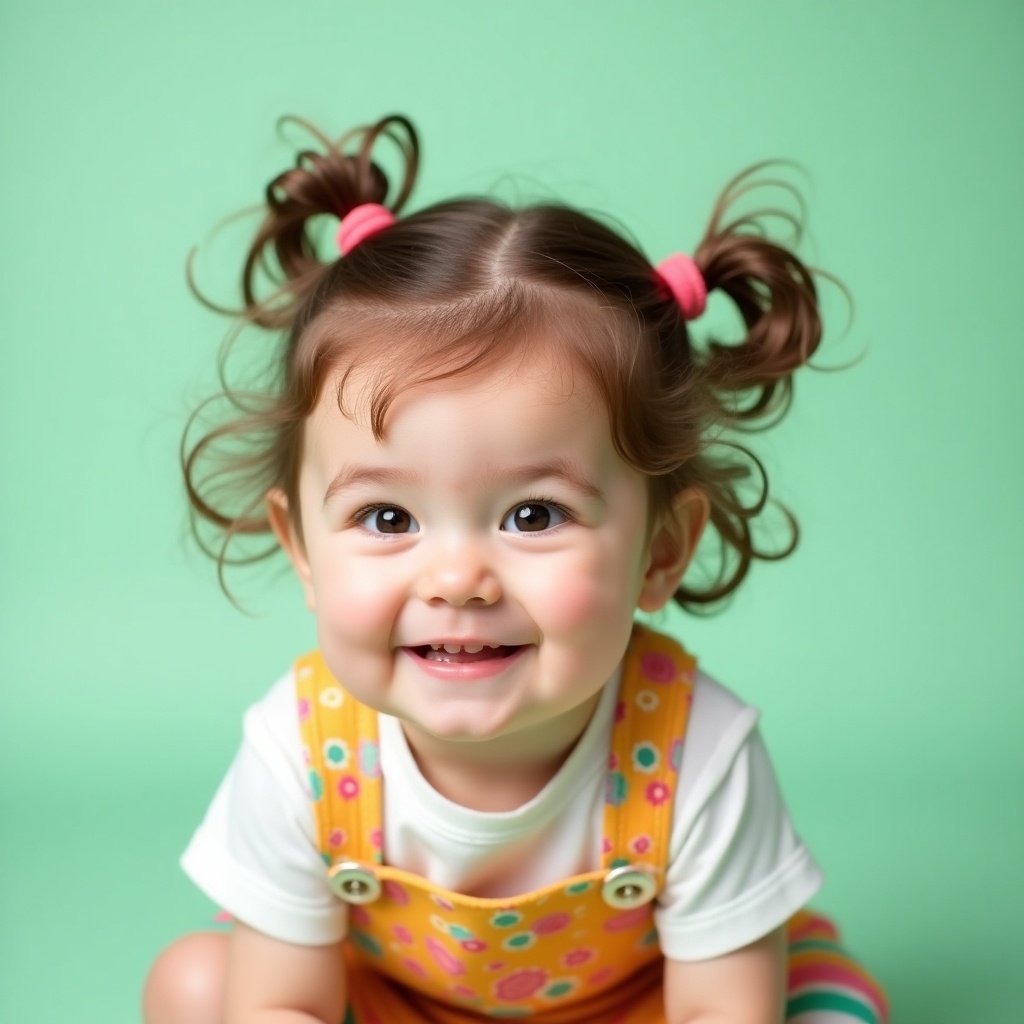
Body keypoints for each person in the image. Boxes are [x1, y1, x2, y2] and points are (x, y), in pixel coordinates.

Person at [143, 114, 889, 1024]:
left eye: (533, 515)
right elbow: (286, 1001)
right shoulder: (298, 748)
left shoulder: (700, 751)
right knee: (197, 986)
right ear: (301, 547)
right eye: (387, 516)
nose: (457, 579)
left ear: (660, 551)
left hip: (636, 1004)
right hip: (399, 1002)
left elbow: (720, 1009)